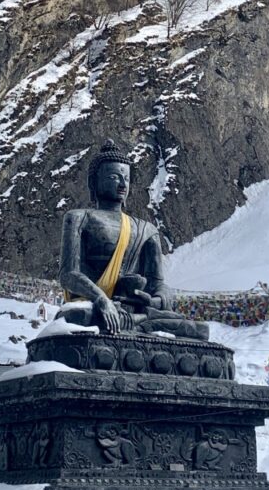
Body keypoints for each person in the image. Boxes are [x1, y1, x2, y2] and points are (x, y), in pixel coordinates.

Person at [57, 139, 208, 340]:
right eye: (113, 177)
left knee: (198, 330)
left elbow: (158, 284)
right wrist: (102, 300)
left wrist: (154, 300)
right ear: (94, 182)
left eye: (126, 179)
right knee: (80, 317)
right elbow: (68, 275)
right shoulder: (79, 218)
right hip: (94, 307)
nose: (122, 184)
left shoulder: (146, 229)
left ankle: (135, 325)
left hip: (135, 311)